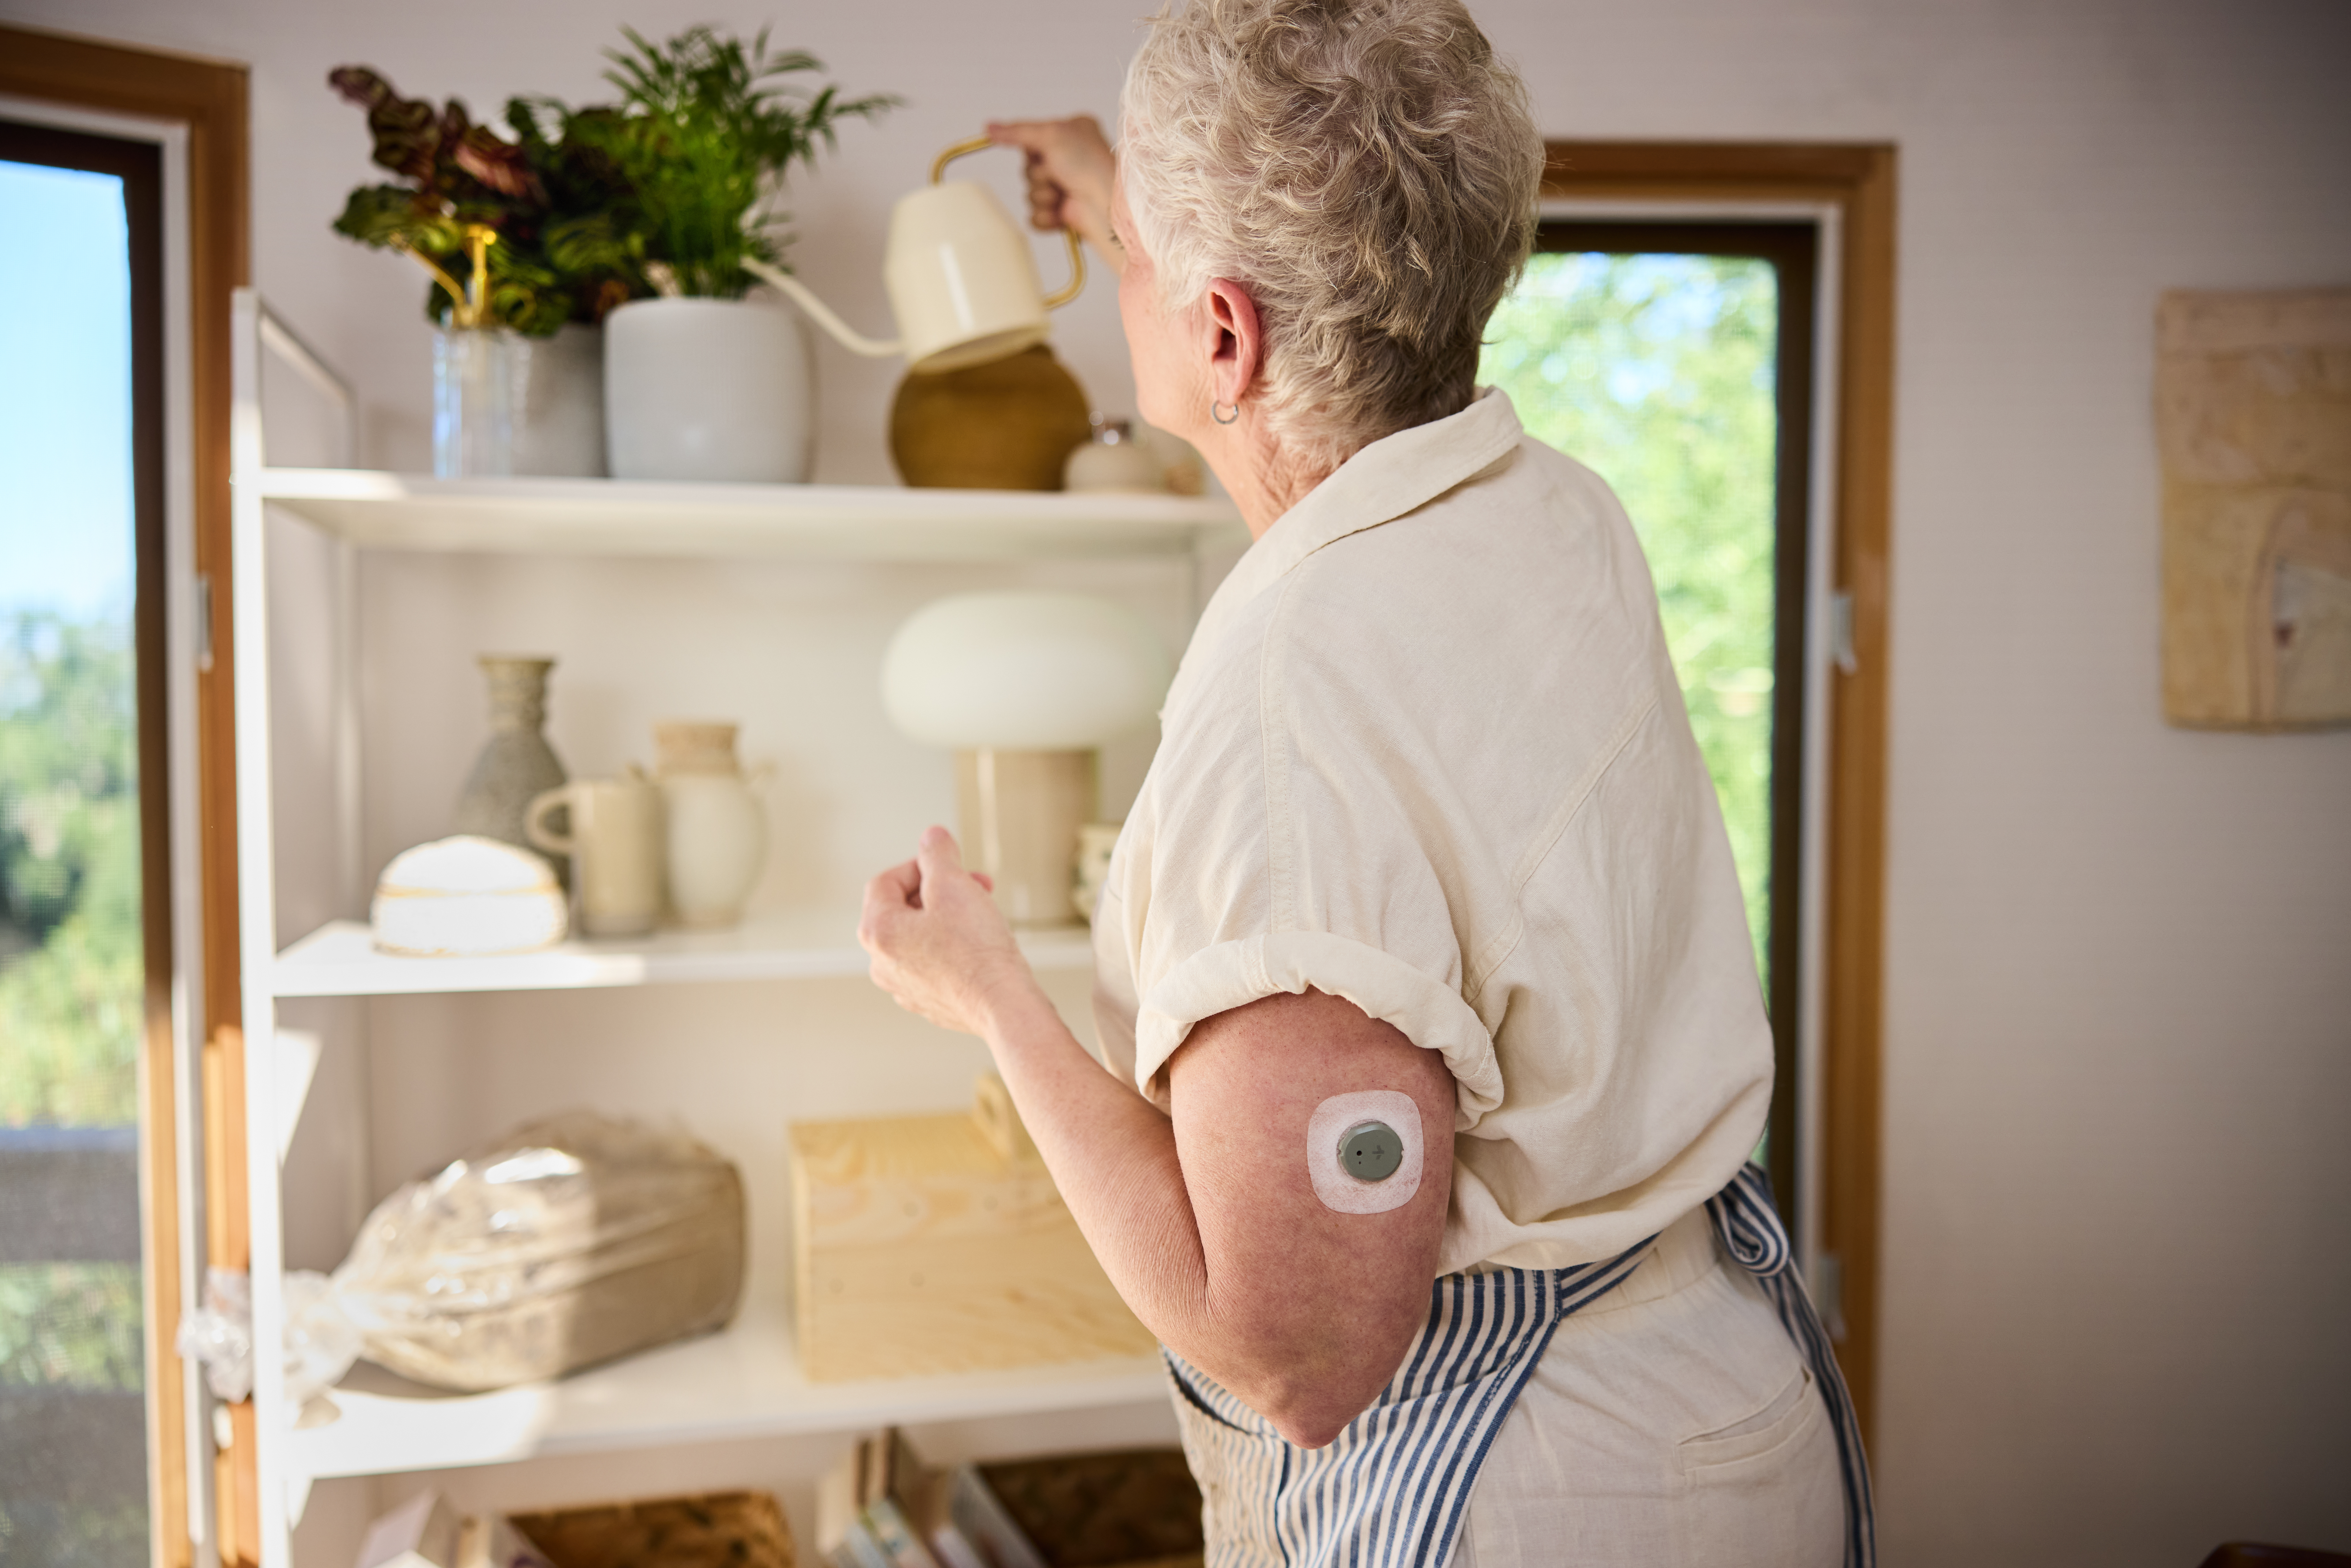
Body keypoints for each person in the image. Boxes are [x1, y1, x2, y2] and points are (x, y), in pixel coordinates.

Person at [859, 1, 1873, 1563]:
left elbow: (1304, 1351)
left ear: (1221, 335)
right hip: (1727, 1409)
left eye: (1128, 251)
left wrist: (992, 994)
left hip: (1545, 1507)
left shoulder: (1291, 699)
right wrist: (1135, 196)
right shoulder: (1554, 508)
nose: (1112, 279)